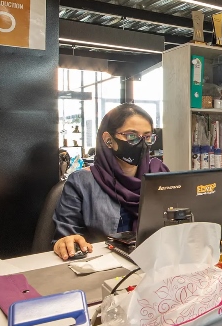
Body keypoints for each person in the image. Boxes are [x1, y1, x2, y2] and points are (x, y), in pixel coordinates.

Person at [52, 104, 167, 260]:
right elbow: (66, 236)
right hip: (101, 263)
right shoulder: (81, 182)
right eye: (131, 136)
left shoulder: (160, 174)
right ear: (108, 139)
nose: (141, 144)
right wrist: (67, 241)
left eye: (147, 137)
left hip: (155, 261)